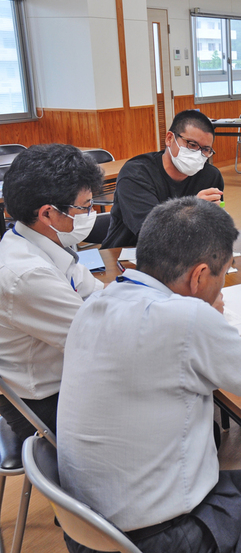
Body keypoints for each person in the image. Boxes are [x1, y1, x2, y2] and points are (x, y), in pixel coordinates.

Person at [58, 197, 241, 553]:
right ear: (199, 276)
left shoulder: (104, 301)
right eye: (223, 273)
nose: (223, 285)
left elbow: (173, 355)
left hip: (103, 522)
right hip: (166, 536)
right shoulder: (185, 319)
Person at [0, 144, 104, 447]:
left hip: (65, 372)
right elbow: (98, 341)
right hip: (42, 402)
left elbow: (95, 294)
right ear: (48, 214)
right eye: (84, 207)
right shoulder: (27, 275)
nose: (90, 214)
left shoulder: (41, 241)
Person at [102, 109, 224, 249]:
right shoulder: (136, 174)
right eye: (191, 145)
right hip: (129, 254)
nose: (198, 154)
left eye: (205, 150)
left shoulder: (210, 176)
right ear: (169, 139)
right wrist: (191, 210)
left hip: (186, 256)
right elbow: (151, 234)